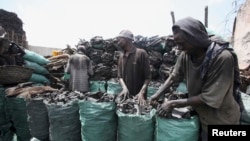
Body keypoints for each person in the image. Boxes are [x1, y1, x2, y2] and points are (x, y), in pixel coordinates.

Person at [150, 17, 241, 141]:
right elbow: (174, 77)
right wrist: (157, 94)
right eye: (177, 44)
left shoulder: (222, 58)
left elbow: (209, 97)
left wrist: (172, 103)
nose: (179, 47)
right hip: (203, 118)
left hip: (223, 121)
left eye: (182, 43)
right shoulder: (186, 55)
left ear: (195, 38)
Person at [116, 30, 151, 105]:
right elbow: (120, 77)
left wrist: (141, 92)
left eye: (120, 39)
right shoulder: (121, 56)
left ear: (127, 39)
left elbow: (148, 77)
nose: (118, 42)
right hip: (126, 97)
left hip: (139, 98)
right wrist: (124, 88)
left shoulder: (141, 53)